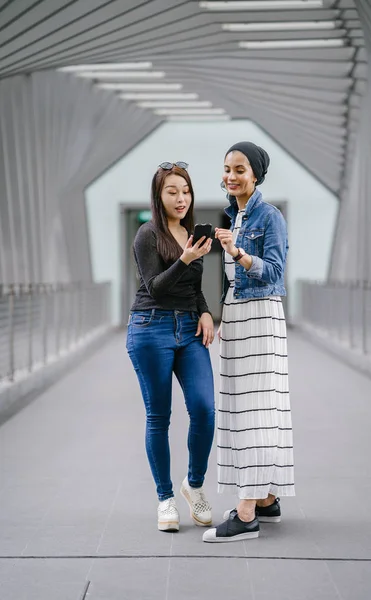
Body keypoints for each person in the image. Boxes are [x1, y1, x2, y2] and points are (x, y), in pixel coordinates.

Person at [203, 142, 295, 543]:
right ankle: (267, 499)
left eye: (239, 168)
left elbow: (273, 272)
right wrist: (225, 313)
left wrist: (238, 253)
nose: (231, 175)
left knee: (256, 411)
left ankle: (245, 514)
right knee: (255, 407)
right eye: (226, 168)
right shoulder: (235, 215)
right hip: (240, 319)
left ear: (255, 174)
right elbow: (233, 282)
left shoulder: (268, 215)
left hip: (260, 319)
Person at [126, 161, 215, 533]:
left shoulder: (191, 234)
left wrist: (207, 312)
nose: (181, 198)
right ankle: (165, 499)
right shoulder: (147, 234)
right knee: (159, 416)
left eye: (186, 191)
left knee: (205, 408)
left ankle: (193, 485)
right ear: (158, 196)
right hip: (151, 328)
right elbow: (156, 287)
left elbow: (193, 289)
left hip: (189, 330)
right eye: (172, 192)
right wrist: (186, 258)